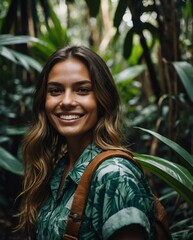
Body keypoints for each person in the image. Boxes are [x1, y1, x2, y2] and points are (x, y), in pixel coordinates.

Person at [17, 45, 155, 240]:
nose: (66, 101)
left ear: (103, 99)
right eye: (55, 90)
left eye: (82, 90)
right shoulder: (59, 168)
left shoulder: (114, 176)